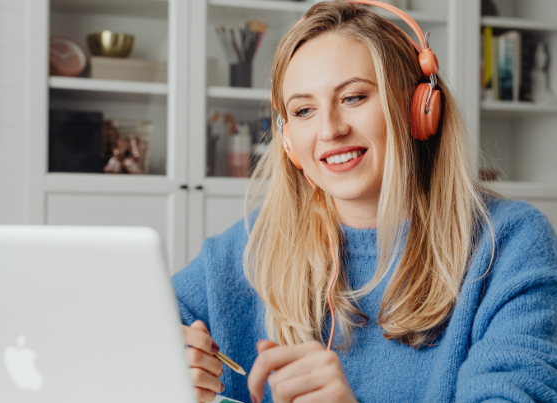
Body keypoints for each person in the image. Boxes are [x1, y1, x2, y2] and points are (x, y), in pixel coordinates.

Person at [173, 1, 557, 402]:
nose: (330, 130)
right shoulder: (256, 244)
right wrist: (167, 363)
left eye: (354, 97)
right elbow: (128, 328)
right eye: (304, 110)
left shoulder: (509, 243)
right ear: (288, 141)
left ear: (418, 109)